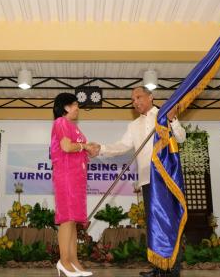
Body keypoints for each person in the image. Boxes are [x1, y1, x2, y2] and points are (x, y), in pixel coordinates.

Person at [89, 86, 186, 277]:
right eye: (133, 100)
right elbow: (122, 146)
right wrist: (101, 148)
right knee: (153, 225)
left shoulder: (164, 113)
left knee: (170, 224)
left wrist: (173, 119)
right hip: (147, 180)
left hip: (165, 179)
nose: (136, 102)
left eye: (139, 97)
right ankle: (158, 267)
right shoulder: (133, 126)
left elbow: (181, 137)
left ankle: (173, 269)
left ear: (151, 97)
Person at [50, 92, 98, 277]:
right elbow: (66, 147)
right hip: (66, 176)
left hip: (77, 178)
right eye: (75, 104)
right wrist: (84, 146)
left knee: (73, 221)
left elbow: (79, 149)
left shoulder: (74, 127)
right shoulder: (61, 122)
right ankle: (64, 261)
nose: (78, 108)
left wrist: (90, 149)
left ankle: (73, 261)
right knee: (66, 219)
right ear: (66, 107)